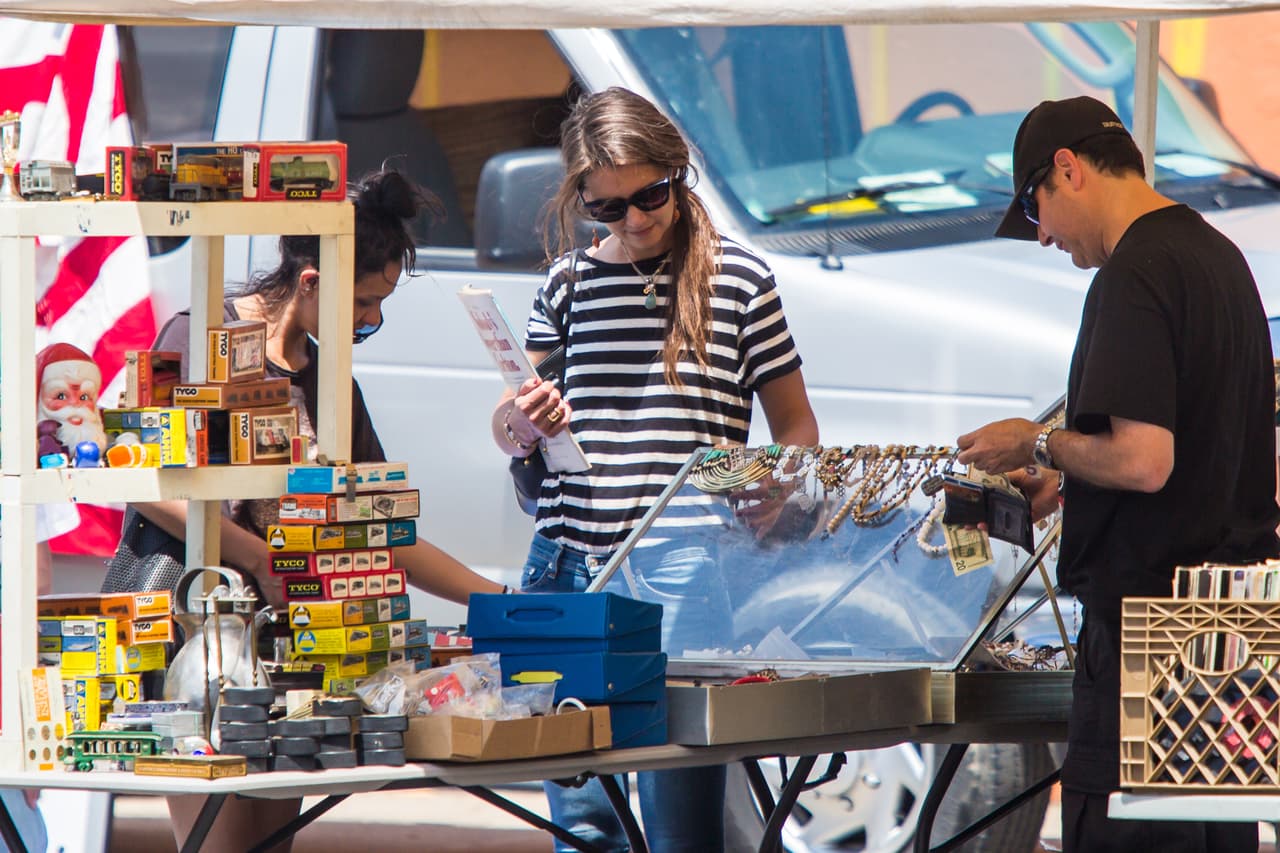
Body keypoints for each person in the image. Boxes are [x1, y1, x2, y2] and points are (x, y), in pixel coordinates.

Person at [104, 168, 505, 853]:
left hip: (288, 653)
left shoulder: (328, 374)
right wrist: (255, 552)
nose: (372, 320)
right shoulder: (203, 333)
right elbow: (129, 469)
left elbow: (378, 527)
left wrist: (498, 600)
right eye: (363, 302)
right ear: (312, 280)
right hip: (190, 644)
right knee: (221, 842)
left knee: (269, 844)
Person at [491, 86, 818, 853]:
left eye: (650, 196)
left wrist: (775, 477)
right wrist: (519, 424)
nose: (634, 220)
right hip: (567, 560)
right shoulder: (565, 285)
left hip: (686, 562)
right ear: (581, 200)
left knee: (679, 819)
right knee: (582, 816)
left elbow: (795, 424)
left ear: (678, 173)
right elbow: (511, 424)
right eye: (607, 207)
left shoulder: (739, 279)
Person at [956, 96, 1279, 853]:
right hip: (1230, 636)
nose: (1042, 235)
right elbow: (1197, 454)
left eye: (1034, 207)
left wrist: (1037, 443)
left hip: (1150, 642)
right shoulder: (1219, 259)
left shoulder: (1133, 275)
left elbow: (1143, 459)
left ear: (1067, 170)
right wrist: (1068, 484)